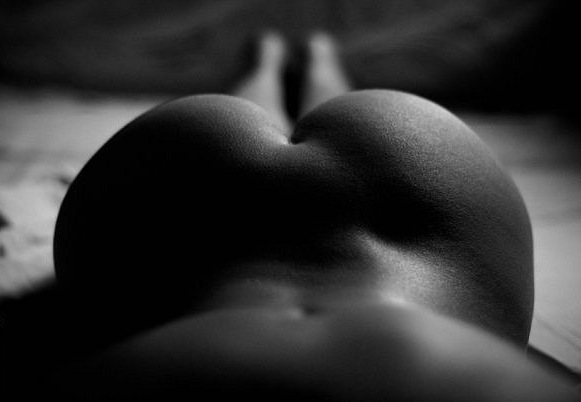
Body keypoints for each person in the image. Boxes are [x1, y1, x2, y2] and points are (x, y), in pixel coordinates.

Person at [3, 32, 579, 401]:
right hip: (409, 211)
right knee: (307, 108)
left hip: (185, 232)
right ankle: (303, 59)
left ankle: (278, 60)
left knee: (249, 110)